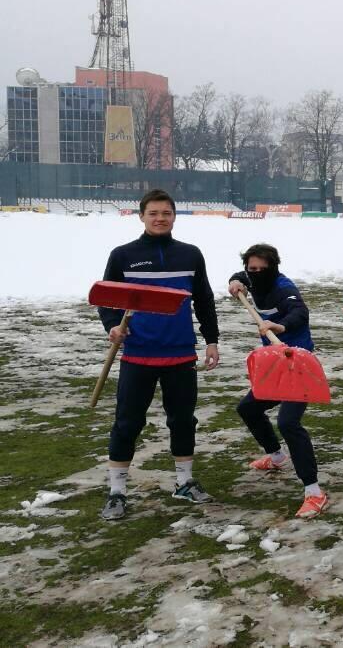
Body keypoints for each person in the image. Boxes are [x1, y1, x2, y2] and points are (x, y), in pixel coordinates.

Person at [98, 189, 220, 521]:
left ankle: (184, 482)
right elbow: (107, 299)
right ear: (141, 216)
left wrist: (211, 340)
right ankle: (117, 492)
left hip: (180, 354)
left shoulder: (190, 255)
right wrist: (112, 326)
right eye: (153, 213)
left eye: (166, 213)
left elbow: (204, 301)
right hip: (137, 355)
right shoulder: (123, 255)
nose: (160, 218)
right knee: (127, 423)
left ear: (174, 216)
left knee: (183, 421)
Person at [229, 244, 328, 519]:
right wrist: (236, 282)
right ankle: (276, 457)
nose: (257, 273)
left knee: (288, 423)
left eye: (263, 269)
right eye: (253, 269)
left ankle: (314, 492)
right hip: (274, 364)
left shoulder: (284, 288)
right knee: (248, 408)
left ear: (274, 267)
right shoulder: (250, 276)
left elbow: (300, 313)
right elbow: (241, 276)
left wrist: (279, 326)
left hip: (297, 364)